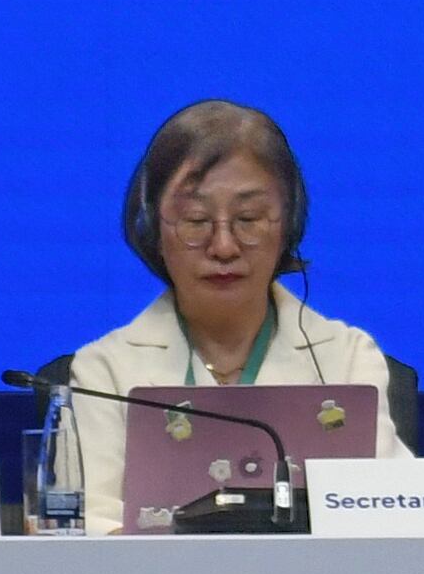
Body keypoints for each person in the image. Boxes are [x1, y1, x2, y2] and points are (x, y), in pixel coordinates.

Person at [56, 100, 396, 532]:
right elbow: (85, 532)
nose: (223, 246)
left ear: (288, 226)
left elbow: (390, 516)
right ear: (153, 230)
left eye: (248, 218)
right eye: (196, 220)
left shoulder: (347, 359)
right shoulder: (104, 372)